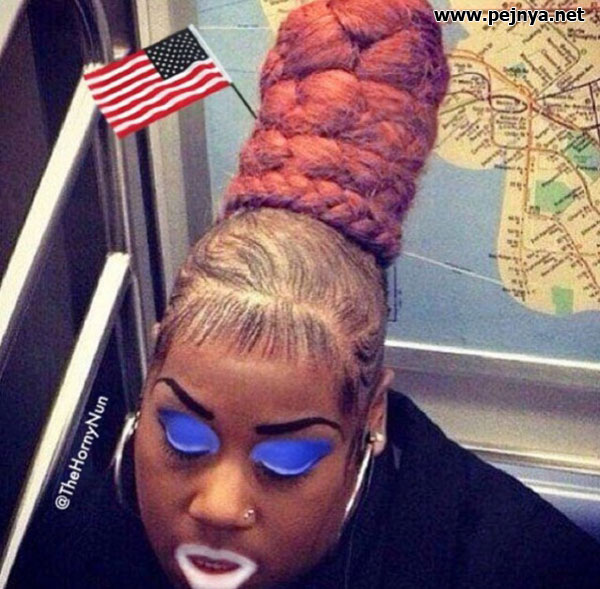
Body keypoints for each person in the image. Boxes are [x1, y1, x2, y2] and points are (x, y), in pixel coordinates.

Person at [8, 0, 600, 587]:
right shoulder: (73, 542)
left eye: (286, 461)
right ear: (152, 367)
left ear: (372, 414)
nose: (219, 507)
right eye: (184, 438)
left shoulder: (525, 565)